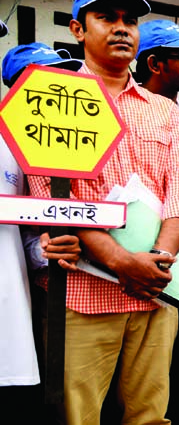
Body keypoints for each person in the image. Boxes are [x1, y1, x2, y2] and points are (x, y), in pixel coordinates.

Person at [27, 0, 179, 424]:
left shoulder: (164, 111)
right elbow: (53, 199)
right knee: (76, 415)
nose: (122, 29)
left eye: (130, 20)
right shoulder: (51, 100)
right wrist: (123, 263)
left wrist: (158, 260)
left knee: (149, 416)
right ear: (77, 30)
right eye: (107, 18)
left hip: (155, 294)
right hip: (81, 293)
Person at [0, 43, 84, 425]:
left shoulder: (25, 149)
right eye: (50, 77)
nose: (61, 87)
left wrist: (44, 249)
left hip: (13, 321)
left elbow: (28, 239)